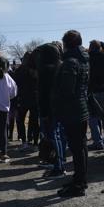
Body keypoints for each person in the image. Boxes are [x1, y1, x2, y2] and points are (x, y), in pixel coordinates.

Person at [53, 30, 90, 197]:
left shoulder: (70, 62)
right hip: (82, 107)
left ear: (67, 44)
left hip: (73, 110)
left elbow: (67, 90)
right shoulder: (84, 60)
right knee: (81, 146)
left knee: (77, 148)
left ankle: (79, 184)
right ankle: (80, 179)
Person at [34, 42, 66, 178]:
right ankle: (60, 163)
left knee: (54, 136)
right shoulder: (61, 66)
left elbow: (44, 94)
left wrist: (44, 112)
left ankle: (58, 166)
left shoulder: (46, 70)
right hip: (61, 106)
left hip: (50, 108)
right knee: (59, 135)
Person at [87, 40, 104, 150]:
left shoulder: (87, 58)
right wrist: (103, 43)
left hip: (92, 91)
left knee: (93, 118)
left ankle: (98, 142)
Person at [13, 51, 40, 148]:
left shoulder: (19, 70)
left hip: (22, 99)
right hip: (35, 98)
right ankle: (35, 142)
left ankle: (24, 141)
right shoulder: (36, 71)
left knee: (20, 121)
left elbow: (15, 86)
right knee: (35, 121)